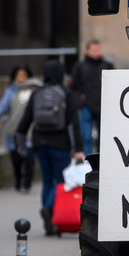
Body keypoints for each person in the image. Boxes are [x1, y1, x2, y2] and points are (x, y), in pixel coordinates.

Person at [17, 59, 84, 236]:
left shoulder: (36, 93)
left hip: (39, 143)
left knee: (47, 181)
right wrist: (78, 148)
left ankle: (49, 216)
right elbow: (73, 123)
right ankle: (49, 210)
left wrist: (21, 146)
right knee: (60, 181)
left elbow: (24, 122)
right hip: (60, 143)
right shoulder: (66, 93)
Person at [0, 65, 42, 193]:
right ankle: (18, 181)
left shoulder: (36, 90)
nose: (21, 78)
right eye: (18, 75)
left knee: (29, 160)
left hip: (30, 132)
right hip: (14, 131)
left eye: (23, 75)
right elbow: (2, 106)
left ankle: (27, 184)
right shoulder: (11, 91)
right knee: (16, 160)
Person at [69, 39, 114, 155]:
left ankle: (101, 161)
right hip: (86, 106)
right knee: (86, 136)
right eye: (93, 50)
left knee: (103, 137)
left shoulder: (107, 65)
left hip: (103, 106)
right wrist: (80, 101)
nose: (96, 52)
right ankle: (88, 163)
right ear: (87, 51)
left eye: (97, 49)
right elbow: (74, 86)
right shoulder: (80, 67)